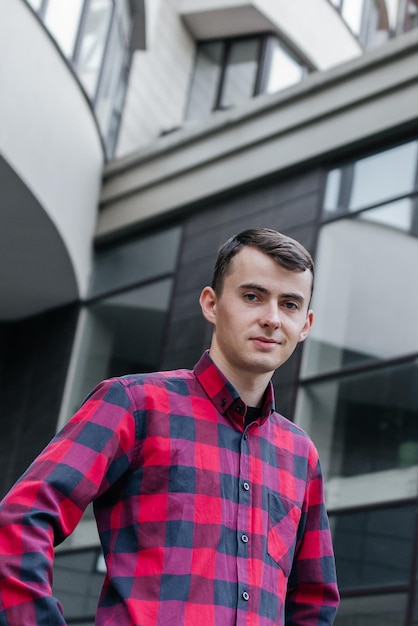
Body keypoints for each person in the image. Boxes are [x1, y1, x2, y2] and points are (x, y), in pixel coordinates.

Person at [0, 228, 339, 625]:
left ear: (306, 324)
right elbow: (21, 520)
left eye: (290, 304)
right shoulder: (134, 404)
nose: (271, 318)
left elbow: (314, 601)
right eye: (252, 296)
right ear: (211, 304)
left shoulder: (301, 454)